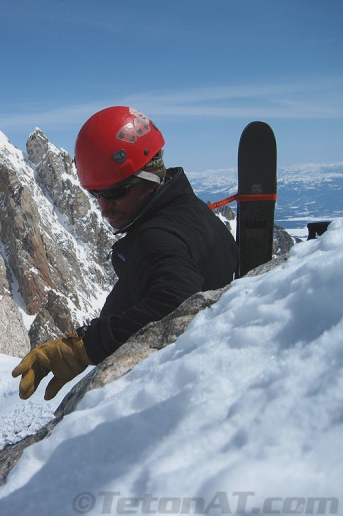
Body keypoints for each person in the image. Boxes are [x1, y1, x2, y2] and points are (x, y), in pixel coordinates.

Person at [12, 106, 238, 400]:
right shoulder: (185, 209)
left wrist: (85, 349)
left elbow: (175, 300)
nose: (103, 207)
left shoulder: (158, 239)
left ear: (151, 177)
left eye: (115, 192)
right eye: (96, 194)